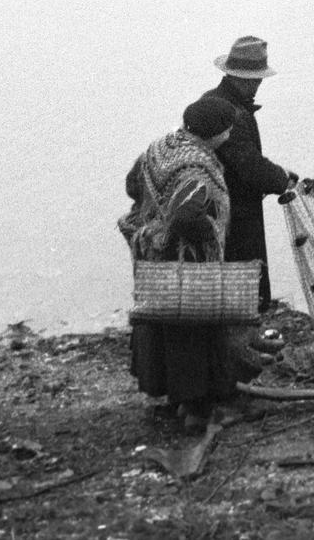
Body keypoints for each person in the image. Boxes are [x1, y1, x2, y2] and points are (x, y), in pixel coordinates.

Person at [119, 96, 265, 430]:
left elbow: (132, 185)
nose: (229, 135)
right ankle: (201, 411)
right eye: (227, 129)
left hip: (155, 262)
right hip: (188, 264)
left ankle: (179, 402)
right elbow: (186, 217)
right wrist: (210, 227)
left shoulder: (161, 147)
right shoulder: (198, 168)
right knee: (197, 331)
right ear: (215, 133)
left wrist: (156, 211)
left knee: (166, 327)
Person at [203, 36, 296, 313]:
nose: (258, 84)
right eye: (255, 79)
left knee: (227, 276)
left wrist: (279, 174)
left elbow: (244, 158)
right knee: (244, 279)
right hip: (235, 210)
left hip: (218, 206)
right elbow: (248, 164)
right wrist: (281, 179)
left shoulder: (212, 101)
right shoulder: (232, 112)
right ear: (241, 78)